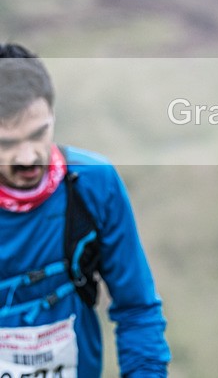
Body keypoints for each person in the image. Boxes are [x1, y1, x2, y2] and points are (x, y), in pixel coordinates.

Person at [0, 43, 170, 377]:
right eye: (6, 143)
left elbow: (137, 308)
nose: (27, 157)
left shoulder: (94, 184)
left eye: (38, 134)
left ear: (52, 114)